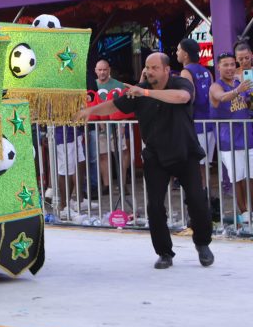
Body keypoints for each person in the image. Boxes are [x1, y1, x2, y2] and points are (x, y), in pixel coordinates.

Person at [74, 52, 213, 269]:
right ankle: (164, 252)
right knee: (155, 206)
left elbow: (182, 98)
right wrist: (91, 110)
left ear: (167, 69)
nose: (148, 71)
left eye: (154, 67)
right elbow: (114, 105)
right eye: (147, 67)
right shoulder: (138, 91)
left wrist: (145, 91)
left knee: (197, 200)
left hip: (185, 153)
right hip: (156, 155)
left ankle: (202, 243)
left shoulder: (180, 83)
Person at [210, 52, 252, 227]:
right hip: (230, 142)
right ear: (218, 67)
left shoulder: (240, 82)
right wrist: (238, 90)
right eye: (225, 65)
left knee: (251, 177)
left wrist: (249, 97)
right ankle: (245, 216)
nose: (229, 68)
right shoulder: (215, 86)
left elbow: (247, 105)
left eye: (231, 64)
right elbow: (221, 97)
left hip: (249, 136)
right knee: (238, 179)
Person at [178, 38, 215, 188]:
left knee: (194, 165)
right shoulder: (207, 71)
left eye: (179, 50)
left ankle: (199, 200)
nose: (176, 53)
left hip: (196, 125)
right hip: (209, 124)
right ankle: (205, 197)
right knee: (204, 164)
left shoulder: (185, 72)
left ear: (185, 54)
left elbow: (189, 98)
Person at [90, 59, 128, 196]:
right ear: (95, 71)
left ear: (109, 70)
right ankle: (107, 185)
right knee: (103, 155)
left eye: (104, 69)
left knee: (121, 154)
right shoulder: (92, 86)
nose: (102, 72)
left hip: (117, 124)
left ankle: (122, 184)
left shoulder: (118, 85)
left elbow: (125, 105)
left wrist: (122, 123)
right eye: (99, 70)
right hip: (100, 127)